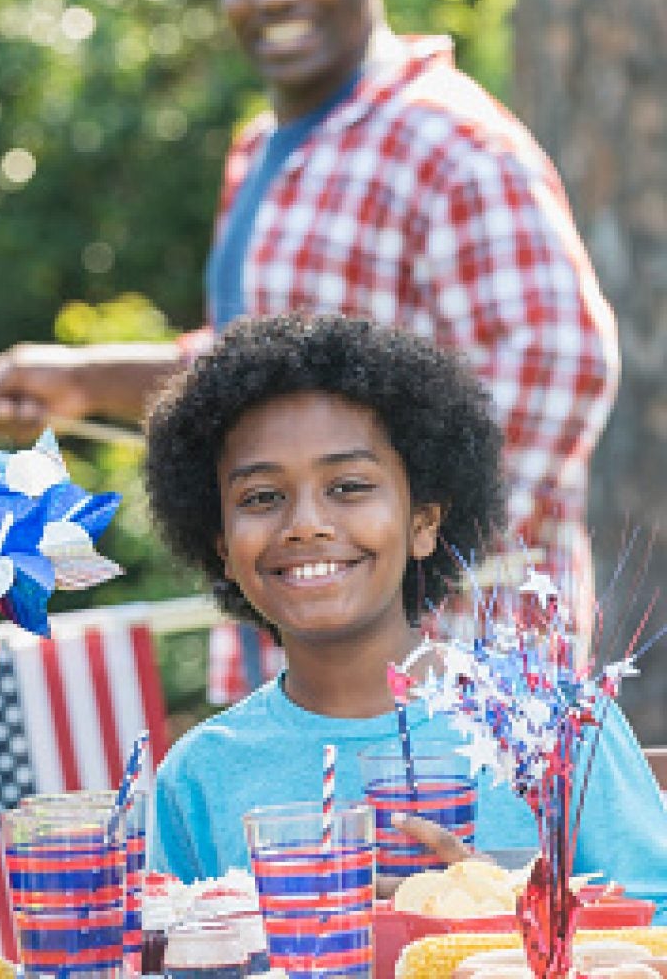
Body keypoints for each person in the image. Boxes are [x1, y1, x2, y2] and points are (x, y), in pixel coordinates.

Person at [0, 0, 618, 590]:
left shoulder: (450, 140)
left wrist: (399, 556)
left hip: (445, 658)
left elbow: (560, 363)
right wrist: (78, 383)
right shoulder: (262, 151)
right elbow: (256, 372)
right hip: (297, 647)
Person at [141, 313, 667, 911]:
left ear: (423, 524)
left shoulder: (555, 728)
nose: (306, 524)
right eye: (262, 498)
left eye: (349, 487)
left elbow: (659, 924)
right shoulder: (202, 774)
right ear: (222, 549)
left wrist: (514, 916)